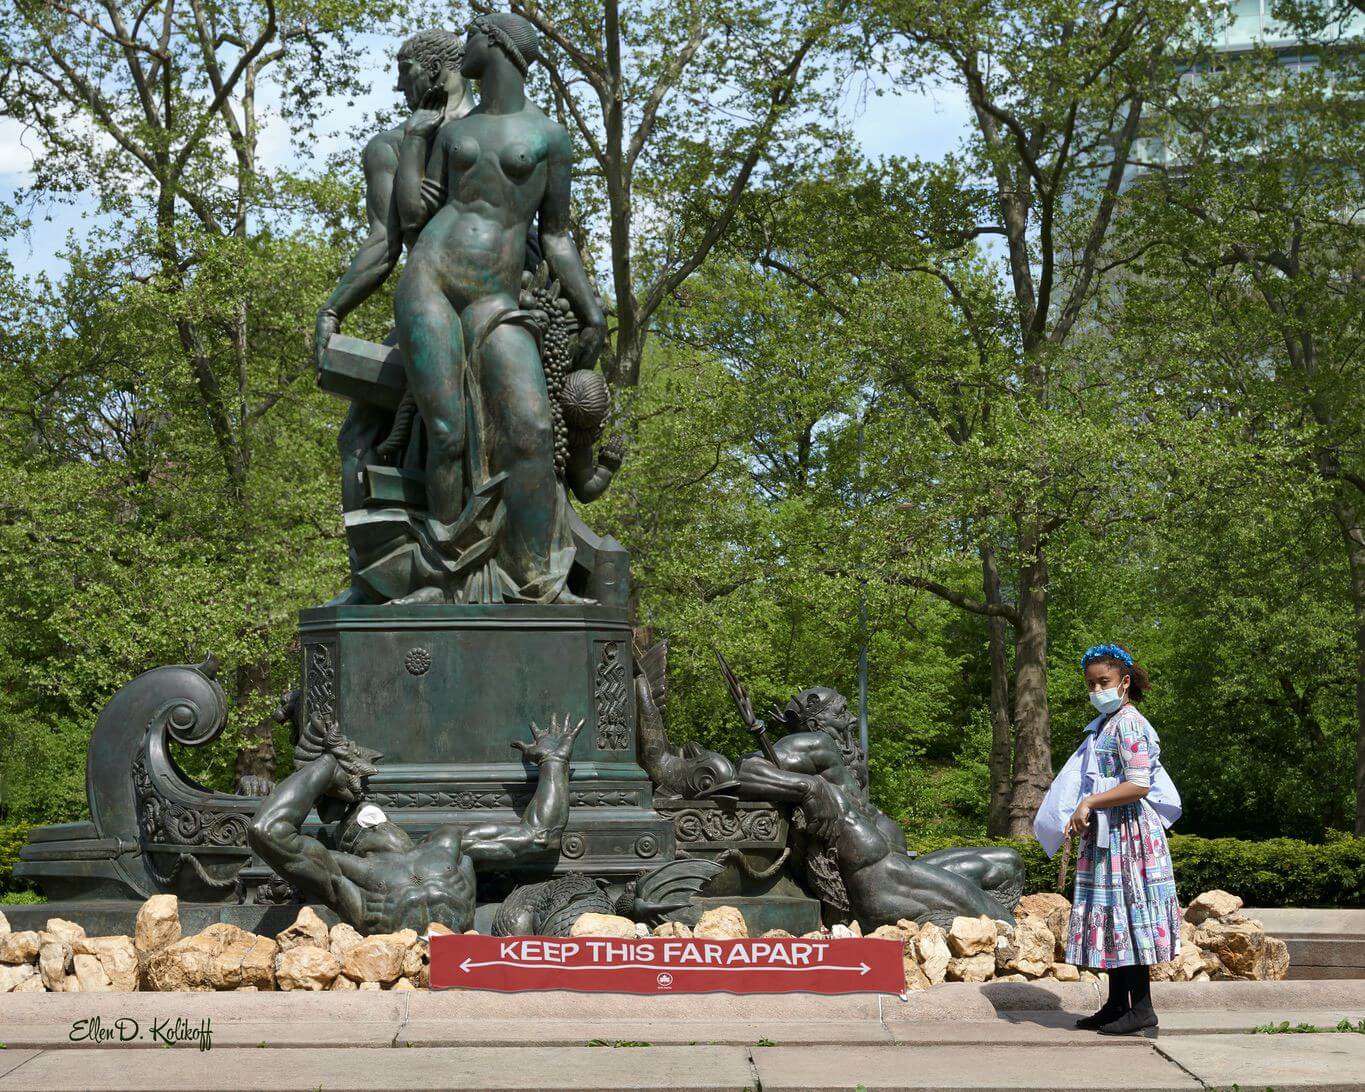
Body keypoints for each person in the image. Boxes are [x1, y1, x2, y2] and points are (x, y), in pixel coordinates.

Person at [391, 12, 606, 603]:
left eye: (472, 37)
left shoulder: (548, 138)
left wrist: (594, 311)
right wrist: (415, 141)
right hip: (430, 282)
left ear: (495, 44)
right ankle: (446, 578)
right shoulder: (453, 134)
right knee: (448, 434)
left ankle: (539, 578)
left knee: (533, 431)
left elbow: (556, 235)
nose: (463, 49)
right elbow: (417, 219)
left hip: (495, 299)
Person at [313, 29, 476, 605]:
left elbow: (386, 244)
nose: (396, 81)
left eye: (404, 68)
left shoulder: (392, 145)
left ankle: (376, 579)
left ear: (434, 70)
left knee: (360, 436)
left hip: (431, 314)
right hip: (498, 307)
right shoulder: (502, 131)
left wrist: (333, 309)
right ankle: (393, 573)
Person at [247, 711, 582, 934]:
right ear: (347, 842)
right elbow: (266, 831)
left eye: (377, 817)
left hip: (467, 963)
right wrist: (328, 765)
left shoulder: (449, 845)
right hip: (396, 970)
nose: (375, 825)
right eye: (361, 825)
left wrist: (554, 762)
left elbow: (540, 836)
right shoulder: (345, 871)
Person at [1036, 643, 1182, 1037]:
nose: (1097, 688)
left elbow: (1138, 784)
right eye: (1091, 683)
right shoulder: (1106, 725)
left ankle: (1143, 1008)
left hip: (1129, 835)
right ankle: (1118, 1004)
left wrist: (1090, 802)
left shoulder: (1130, 722)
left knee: (1129, 915)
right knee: (1114, 914)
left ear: (1125, 682)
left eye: (1105, 681)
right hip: (1110, 833)